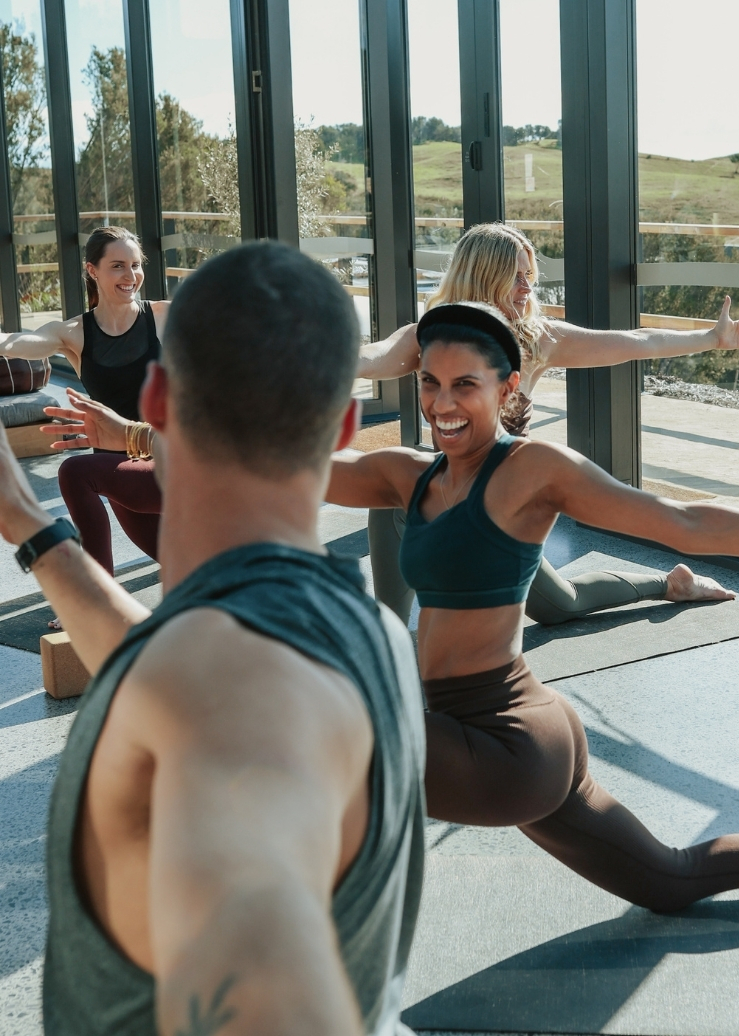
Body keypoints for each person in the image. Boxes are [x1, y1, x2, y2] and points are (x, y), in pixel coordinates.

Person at [327, 301, 739, 913]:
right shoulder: (408, 476)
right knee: (669, 881)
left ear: (508, 388)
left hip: (504, 746)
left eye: (464, 384)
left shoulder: (531, 470)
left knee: (317, 733)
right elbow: (280, 465)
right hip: (499, 726)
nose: (442, 403)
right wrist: (329, 363)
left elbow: (688, 525)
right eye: (429, 382)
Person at [0, 241, 425, 1035]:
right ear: (343, 424)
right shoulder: (376, 630)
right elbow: (169, 667)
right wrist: (28, 528)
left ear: (153, 399)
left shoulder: (222, 690)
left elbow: (262, 964)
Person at [355, 222, 739, 625]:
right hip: (447, 490)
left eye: (528, 275)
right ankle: (382, 635)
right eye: (514, 276)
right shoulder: (429, 334)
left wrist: (711, 338)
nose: (526, 287)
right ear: (482, 277)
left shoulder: (537, 340)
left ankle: (671, 583)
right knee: (392, 487)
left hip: (504, 501)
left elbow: (639, 342)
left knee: (560, 606)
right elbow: (372, 357)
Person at [1, 226, 165, 580]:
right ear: (92, 270)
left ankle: (95, 591)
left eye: (136, 265)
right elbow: (20, 342)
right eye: (118, 266)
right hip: (118, 471)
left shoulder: (163, 316)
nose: (131, 276)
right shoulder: (74, 333)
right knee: (180, 559)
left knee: (74, 472)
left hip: (169, 461)